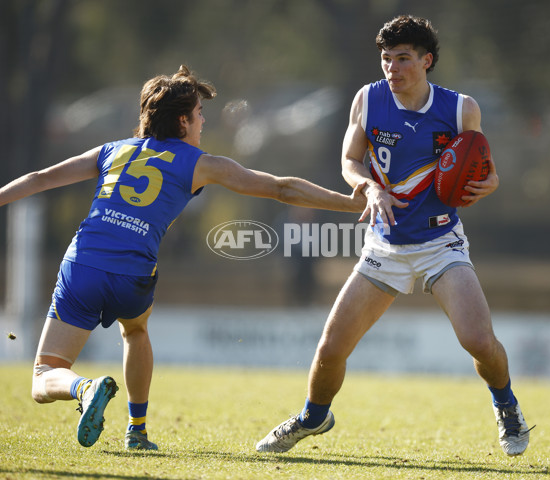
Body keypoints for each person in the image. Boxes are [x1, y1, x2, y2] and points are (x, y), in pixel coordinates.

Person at [0, 65, 367, 450]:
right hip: (134, 276)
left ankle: (84, 387)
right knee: (136, 330)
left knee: (45, 374)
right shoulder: (201, 163)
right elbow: (282, 188)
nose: (203, 121)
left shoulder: (112, 150)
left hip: (84, 265)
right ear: (182, 121)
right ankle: (137, 430)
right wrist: (349, 202)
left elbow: (40, 177)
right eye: (199, 114)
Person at [256, 14, 533, 457]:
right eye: (386, 59)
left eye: (403, 58)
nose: (392, 68)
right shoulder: (367, 100)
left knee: (478, 341)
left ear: (427, 60)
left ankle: (507, 406)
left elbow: (483, 164)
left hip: (441, 243)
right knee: (330, 349)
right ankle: (312, 417)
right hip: (384, 245)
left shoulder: (461, 108)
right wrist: (367, 186)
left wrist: (490, 182)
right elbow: (350, 160)